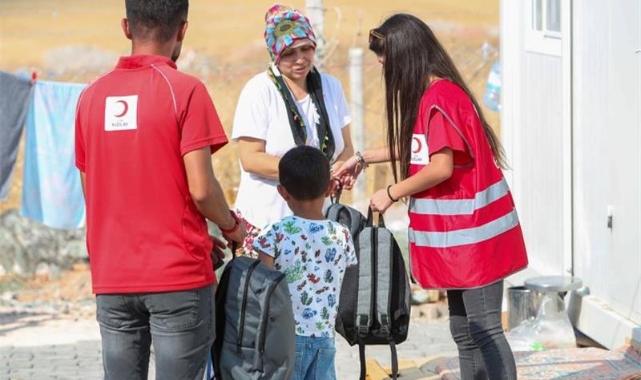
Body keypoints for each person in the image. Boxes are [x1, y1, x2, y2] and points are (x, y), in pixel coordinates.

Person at [334, 13, 528, 380]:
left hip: (475, 238)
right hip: (459, 241)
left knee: (484, 328)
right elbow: (419, 148)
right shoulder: (433, 96)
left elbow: (439, 167)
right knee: (463, 330)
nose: (383, 71)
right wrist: (361, 157)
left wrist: (391, 192)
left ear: (406, 58)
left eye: (385, 63)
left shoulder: (441, 97)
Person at [74, 1, 246, 379]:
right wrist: (230, 226)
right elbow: (202, 190)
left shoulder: (90, 97)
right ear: (183, 29)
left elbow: (95, 193)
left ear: (126, 26)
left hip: (113, 276)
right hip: (177, 278)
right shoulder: (185, 90)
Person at [231, 4, 355, 257]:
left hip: (314, 220)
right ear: (275, 55)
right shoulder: (259, 90)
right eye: (289, 53)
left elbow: (346, 148)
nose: (300, 59)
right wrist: (311, 176)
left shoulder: (330, 87)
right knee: (266, 295)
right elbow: (251, 158)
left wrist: (341, 170)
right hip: (267, 221)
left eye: (306, 48)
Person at [253, 145, 357, 380]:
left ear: (282, 192)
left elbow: (261, 285)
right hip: (324, 336)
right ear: (330, 187)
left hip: (284, 337)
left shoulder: (274, 234)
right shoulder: (341, 234)